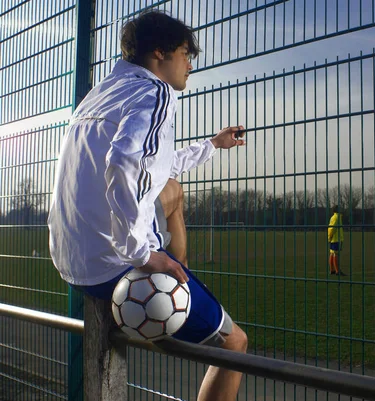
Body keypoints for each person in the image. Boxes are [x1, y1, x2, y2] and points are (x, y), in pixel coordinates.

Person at [48, 10, 247, 401]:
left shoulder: (101, 92)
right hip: (114, 265)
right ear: (160, 54)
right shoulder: (156, 91)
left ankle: (175, 281)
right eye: (186, 54)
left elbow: (153, 166)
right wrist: (141, 254)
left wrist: (211, 145)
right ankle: (171, 284)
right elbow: (123, 164)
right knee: (235, 344)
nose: (190, 65)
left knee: (171, 190)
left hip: (70, 261)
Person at [327, 205, 346, 276]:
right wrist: (330, 236)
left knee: (332, 253)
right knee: (336, 254)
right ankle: (337, 271)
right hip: (336, 238)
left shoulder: (333, 217)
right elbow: (332, 228)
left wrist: (329, 237)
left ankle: (332, 270)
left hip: (333, 238)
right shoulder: (337, 217)